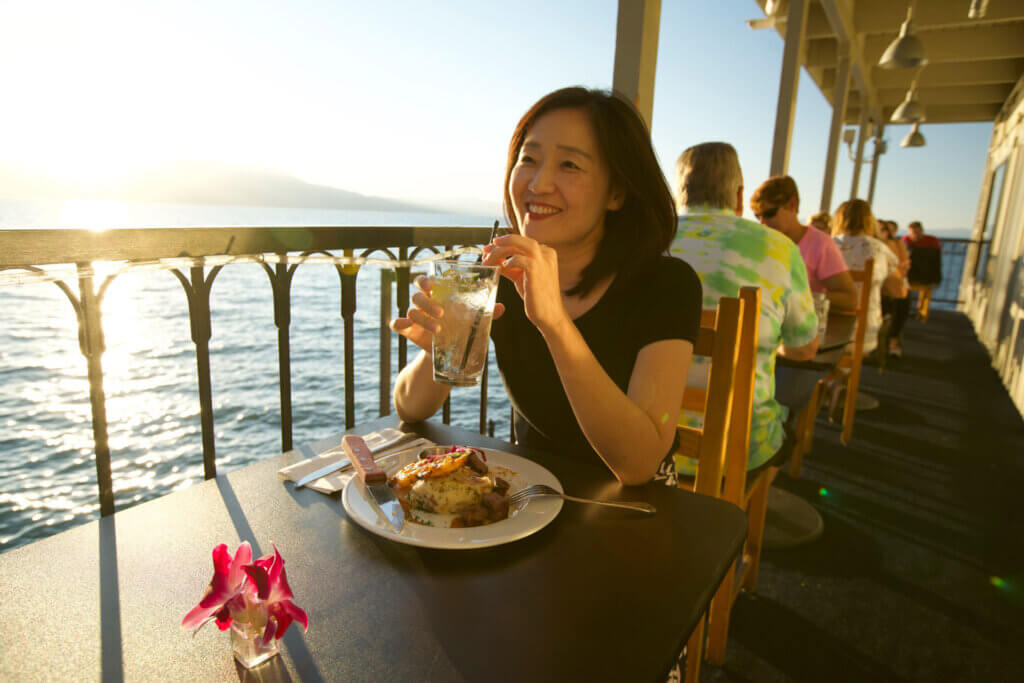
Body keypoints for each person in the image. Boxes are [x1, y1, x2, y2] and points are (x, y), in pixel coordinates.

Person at [391, 87, 702, 490]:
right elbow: (408, 407)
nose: (539, 183)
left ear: (617, 192)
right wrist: (444, 348)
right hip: (530, 501)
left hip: (638, 516)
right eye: (529, 159)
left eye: (570, 165)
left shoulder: (665, 285)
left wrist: (554, 322)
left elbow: (639, 464)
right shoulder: (500, 280)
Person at [670, 143, 819, 475]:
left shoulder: (646, 238)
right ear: (739, 196)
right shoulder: (780, 248)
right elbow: (805, 348)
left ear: (680, 192)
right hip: (739, 449)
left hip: (643, 443)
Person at [750, 175, 858, 309]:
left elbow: (850, 298)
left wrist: (800, 297)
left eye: (769, 214)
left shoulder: (820, 244)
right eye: (757, 216)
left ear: (792, 205)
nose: (762, 223)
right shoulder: (761, 241)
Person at [831, 201, 899, 355]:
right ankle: (839, 374)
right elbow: (894, 287)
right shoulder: (879, 249)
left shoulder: (827, 245)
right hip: (862, 333)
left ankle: (834, 374)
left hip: (823, 328)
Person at [878, 220, 911, 356]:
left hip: (893, 283)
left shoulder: (897, 244)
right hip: (879, 285)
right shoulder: (872, 245)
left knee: (899, 306)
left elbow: (904, 264)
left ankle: (893, 340)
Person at [902, 220, 943, 320]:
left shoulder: (932, 242)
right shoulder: (905, 241)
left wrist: (936, 279)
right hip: (909, 275)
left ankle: (921, 314)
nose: (914, 235)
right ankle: (905, 311)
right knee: (903, 292)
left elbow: (936, 262)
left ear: (922, 231)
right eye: (912, 232)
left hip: (925, 276)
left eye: (916, 232)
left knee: (926, 294)